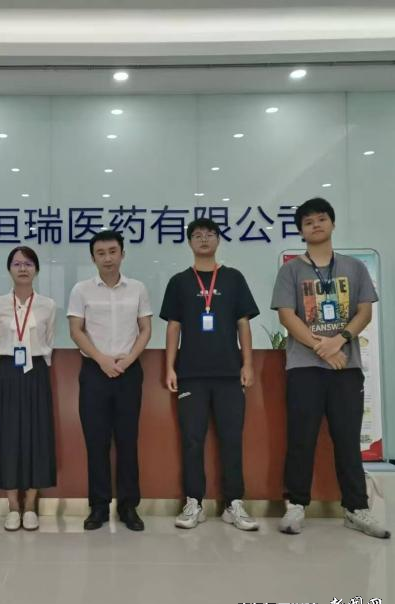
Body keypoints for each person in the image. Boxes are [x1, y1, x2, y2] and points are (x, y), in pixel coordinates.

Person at [271, 197, 390, 539]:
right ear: (301, 231)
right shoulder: (291, 270)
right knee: (301, 438)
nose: (316, 225)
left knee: (347, 440)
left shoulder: (354, 267)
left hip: (346, 368)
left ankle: (356, 508)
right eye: (308, 222)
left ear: (333, 224)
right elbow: (287, 315)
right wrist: (321, 347)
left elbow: (364, 311)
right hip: (304, 368)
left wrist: (340, 340)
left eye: (321, 219)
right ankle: (296, 505)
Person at [160, 218, 260, 531]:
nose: (204, 239)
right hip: (191, 375)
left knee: (231, 439)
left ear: (218, 240)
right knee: (192, 440)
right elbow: (173, 326)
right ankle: (194, 502)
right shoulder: (179, 282)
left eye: (210, 234)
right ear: (190, 242)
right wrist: (169, 367)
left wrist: (247, 364)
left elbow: (243, 324)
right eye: (197, 235)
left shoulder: (233, 278)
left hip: (229, 374)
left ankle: (234, 503)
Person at [67, 230, 152, 531]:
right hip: (95, 372)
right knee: (96, 442)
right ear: (93, 258)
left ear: (122, 254)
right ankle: (99, 507)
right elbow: (76, 330)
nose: (107, 258)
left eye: (112, 251)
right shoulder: (81, 290)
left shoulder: (137, 288)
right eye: (101, 253)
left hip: (129, 371)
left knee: (128, 441)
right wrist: (101, 359)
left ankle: (129, 507)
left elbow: (145, 329)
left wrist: (127, 360)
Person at [0, 246, 57, 531]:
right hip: (6, 372)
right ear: (9, 269)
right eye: (17, 264)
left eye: (28, 264)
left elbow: (48, 340)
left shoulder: (48, 305)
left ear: (36, 269)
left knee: (37, 435)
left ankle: (31, 506)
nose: (23, 268)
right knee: (8, 436)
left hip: (36, 372)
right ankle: (13, 506)